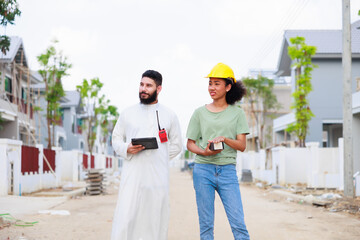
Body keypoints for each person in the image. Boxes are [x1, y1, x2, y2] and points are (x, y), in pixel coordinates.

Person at [111, 70, 182, 240]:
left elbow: (177, 145)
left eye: (148, 86)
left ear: (159, 89)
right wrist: (127, 148)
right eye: (141, 84)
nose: (143, 89)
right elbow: (115, 140)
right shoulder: (127, 113)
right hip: (132, 176)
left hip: (158, 179)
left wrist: (159, 157)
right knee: (126, 219)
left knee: (154, 221)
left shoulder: (169, 115)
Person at [186, 63, 250, 240]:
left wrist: (225, 139)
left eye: (217, 83)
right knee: (206, 226)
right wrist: (204, 152)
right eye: (210, 83)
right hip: (203, 171)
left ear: (228, 87)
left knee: (238, 224)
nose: (212, 88)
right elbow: (190, 144)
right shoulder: (199, 113)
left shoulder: (237, 113)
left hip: (227, 171)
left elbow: (242, 145)